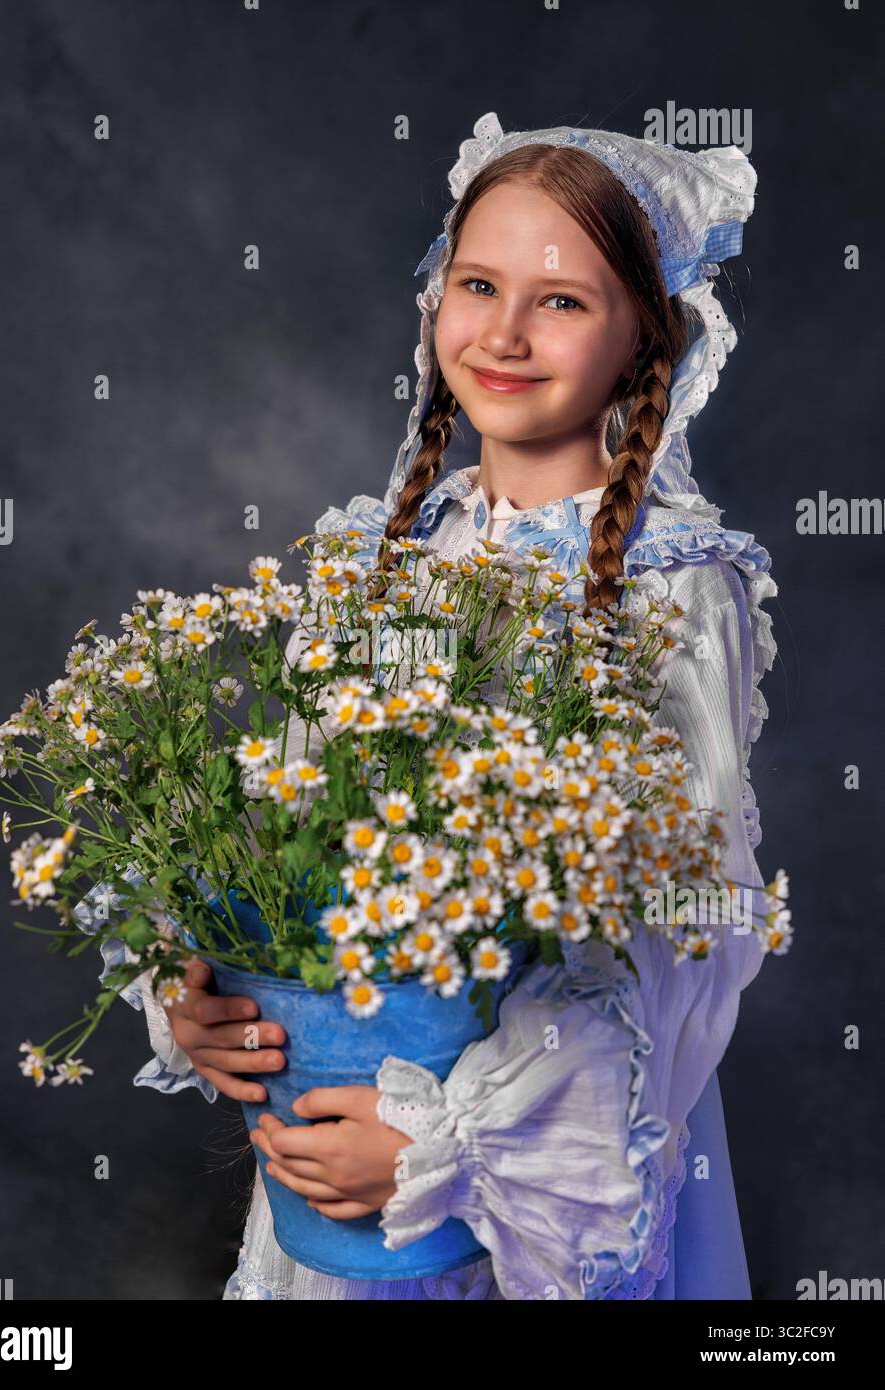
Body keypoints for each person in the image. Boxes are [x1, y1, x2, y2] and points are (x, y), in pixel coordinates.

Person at [95, 112, 783, 1300]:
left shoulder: (673, 584)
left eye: (562, 301)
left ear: (645, 339)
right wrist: (211, 996)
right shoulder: (381, 557)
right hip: (332, 1150)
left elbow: (686, 930)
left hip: (531, 1180)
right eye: (477, 284)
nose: (505, 334)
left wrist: (452, 1144)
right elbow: (293, 836)